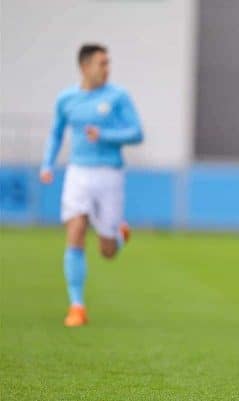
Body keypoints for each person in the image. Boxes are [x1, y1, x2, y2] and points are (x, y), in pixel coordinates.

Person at [39, 44, 143, 327]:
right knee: (75, 229)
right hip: (78, 172)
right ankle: (77, 306)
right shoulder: (67, 99)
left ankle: (118, 236)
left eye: (108, 63)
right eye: (102, 63)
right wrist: (47, 164)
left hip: (110, 174)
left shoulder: (118, 97)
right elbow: (56, 133)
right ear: (85, 67)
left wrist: (105, 134)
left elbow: (136, 133)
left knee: (107, 251)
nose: (107, 69)